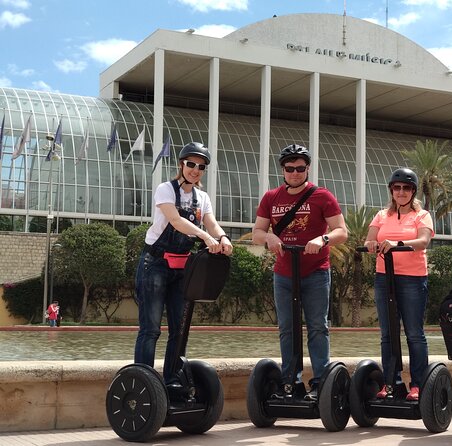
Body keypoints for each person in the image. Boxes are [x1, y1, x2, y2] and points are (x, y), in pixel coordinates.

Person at [252, 143, 348, 401]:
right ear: (283, 170)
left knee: (317, 327)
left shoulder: (322, 196)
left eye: (300, 168)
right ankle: (289, 383)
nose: (295, 173)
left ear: (307, 169)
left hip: (315, 272)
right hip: (284, 273)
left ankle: (320, 383)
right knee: (287, 328)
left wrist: (323, 240)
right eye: (290, 168)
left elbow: (341, 231)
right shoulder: (271, 198)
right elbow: (257, 231)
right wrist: (268, 237)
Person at [134, 142, 233, 385]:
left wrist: (222, 237)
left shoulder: (202, 198)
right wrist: (206, 237)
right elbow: (176, 221)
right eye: (191, 164)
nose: (195, 169)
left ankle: (172, 381)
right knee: (151, 329)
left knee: (179, 330)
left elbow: (211, 223)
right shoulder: (165, 189)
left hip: (182, 269)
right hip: (155, 264)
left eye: (201, 166)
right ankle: (144, 383)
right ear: (181, 164)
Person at [363, 168, 434, 401]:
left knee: (414, 333)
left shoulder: (422, 215)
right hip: (385, 277)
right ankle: (391, 383)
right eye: (397, 188)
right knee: (388, 333)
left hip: (412, 279)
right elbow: (369, 239)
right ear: (391, 191)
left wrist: (397, 242)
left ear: (413, 192)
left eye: (406, 188)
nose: (401, 192)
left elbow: (423, 241)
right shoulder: (381, 215)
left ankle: (417, 385)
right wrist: (372, 244)